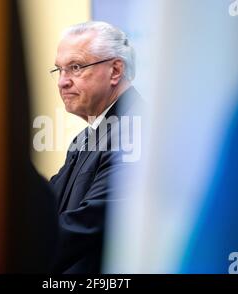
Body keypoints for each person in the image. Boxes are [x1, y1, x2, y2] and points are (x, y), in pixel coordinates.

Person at [48, 21, 143, 273]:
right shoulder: (84, 138)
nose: (62, 82)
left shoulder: (137, 131)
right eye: (59, 70)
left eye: (75, 67)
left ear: (115, 71)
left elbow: (88, 224)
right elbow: (50, 206)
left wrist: (15, 254)